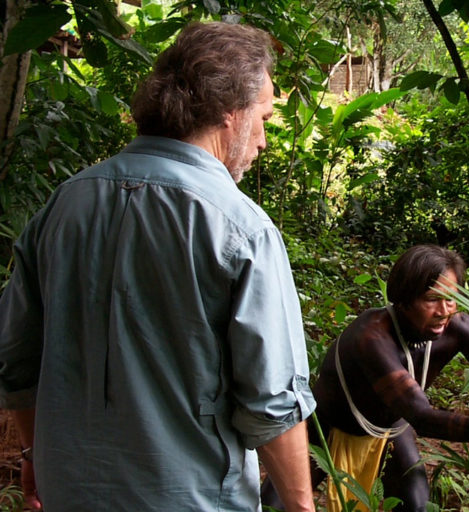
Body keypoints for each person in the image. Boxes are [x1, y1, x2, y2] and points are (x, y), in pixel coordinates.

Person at [0, 22, 316, 512]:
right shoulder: (240, 227)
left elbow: (15, 359)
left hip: (70, 492)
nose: (263, 141)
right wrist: (302, 507)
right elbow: (272, 401)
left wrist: (32, 452)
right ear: (230, 113)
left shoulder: (64, 205)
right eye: (265, 119)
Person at [261, 244, 469, 512]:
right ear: (403, 299)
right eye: (431, 299)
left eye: (451, 298)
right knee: (271, 507)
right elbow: (423, 417)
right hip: (325, 429)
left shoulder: (459, 326)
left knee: (415, 504)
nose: (445, 310)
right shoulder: (371, 336)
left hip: (389, 430)